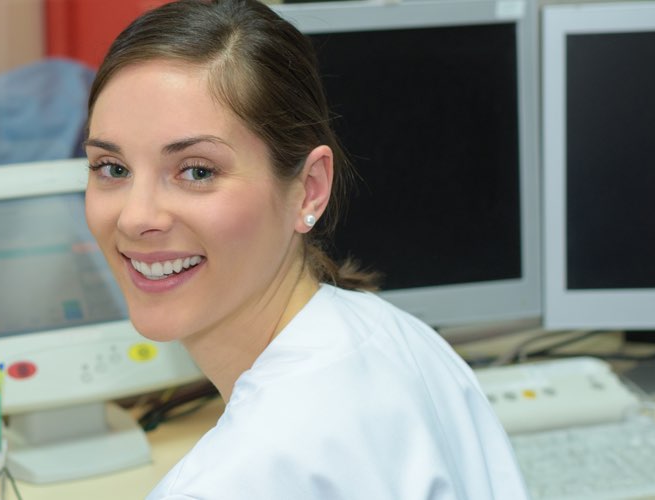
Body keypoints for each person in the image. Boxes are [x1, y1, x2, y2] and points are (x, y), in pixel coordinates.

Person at [80, 0, 527, 497]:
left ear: (309, 189)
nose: (137, 217)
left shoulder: (233, 478)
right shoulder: (396, 337)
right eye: (112, 168)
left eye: (197, 171)